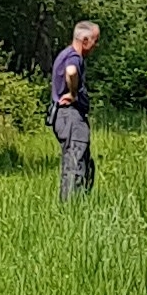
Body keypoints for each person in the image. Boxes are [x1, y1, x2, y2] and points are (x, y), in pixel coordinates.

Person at [49, 20, 100, 200]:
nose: (96, 45)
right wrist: (73, 93)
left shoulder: (65, 54)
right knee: (75, 164)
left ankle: (78, 205)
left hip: (63, 116)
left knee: (84, 163)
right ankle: (70, 209)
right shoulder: (74, 58)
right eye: (95, 40)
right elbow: (71, 71)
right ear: (85, 40)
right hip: (70, 116)